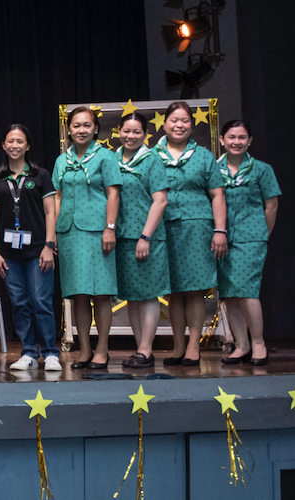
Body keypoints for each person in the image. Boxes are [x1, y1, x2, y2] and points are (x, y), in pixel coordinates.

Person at [0, 125, 60, 372]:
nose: (15, 145)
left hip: (38, 249)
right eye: (10, 141)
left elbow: (51, 211)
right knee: (19, 302)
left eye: (20, 141)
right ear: (4, 146)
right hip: (9, 254)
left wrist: (49, 245)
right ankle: (28, 351)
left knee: (40, 300)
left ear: (27, 146)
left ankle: (50, 352)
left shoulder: (41, 175)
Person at [156, 102, 225, 366]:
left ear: (191, 125)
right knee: (174, 291)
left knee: (195, 290)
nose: (179, 125)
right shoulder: (152, 155)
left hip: (197, 227)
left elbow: (217, 195)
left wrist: (219, 230)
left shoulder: (204, 156)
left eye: (185, 120)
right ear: (165, 124)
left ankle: (194, 346)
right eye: (174, 120)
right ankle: (177, 346)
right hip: (164, 228)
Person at [53, 106, 119, 370]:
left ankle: (102, 349)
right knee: (78, 294)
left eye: (86, 125)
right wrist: (55, 232)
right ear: (69, 129)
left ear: (95, 129)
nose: (81, 130)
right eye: (76, 125)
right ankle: (84, 350)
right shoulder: (62, 160)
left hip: (98, 232)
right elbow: (57, 196)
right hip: (69, 232)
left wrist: (110, 227)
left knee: (101, 293)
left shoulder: (106, 157)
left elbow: (113, 194)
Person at [215, 120, 279, 366]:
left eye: (242, 137)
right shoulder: (213, 168)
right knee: (230, 294)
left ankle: (259, 343)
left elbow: (271, 205)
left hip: (251, 237)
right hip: (220, 238)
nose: (236, 142)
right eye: (231, 137)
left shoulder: (261, 169)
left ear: (249, 141)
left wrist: (262, 234)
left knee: (247, 291)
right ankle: (241, 345)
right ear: (222, 140)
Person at [111, 113, 171, 369]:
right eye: (126, 131)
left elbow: (160, 200)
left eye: (136, 132)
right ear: (119, 132)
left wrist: (145, 236)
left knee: (148, 295)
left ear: (145, 134)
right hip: (121, 238)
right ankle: (140, 349)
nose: (131, 136)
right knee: (132, 296)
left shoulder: (152, 160)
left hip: (146, 238)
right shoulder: (111, 159)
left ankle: (147, 349)